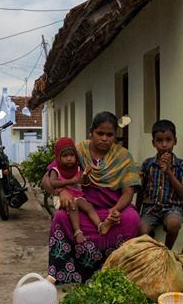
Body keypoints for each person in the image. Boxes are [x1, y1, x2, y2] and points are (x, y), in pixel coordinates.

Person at [42, 111, 141, 284]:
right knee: (60, 217)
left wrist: (116, 210)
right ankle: (64, 273)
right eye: (100, 133)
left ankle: (119, 273)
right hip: (84, 211)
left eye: (110, 135)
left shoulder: (123, 156)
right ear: (91, 132)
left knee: (132, 218)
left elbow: (128, 191)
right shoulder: (78, 151)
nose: (104, 138)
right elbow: (47, 179)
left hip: (112, 211)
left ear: (115, 136)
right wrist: (61, 191)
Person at [136, 119, 183, 249]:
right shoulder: (147, 164)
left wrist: (169, 172)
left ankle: (166, 251)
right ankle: (151, 252)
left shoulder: (181, 165)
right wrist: (137, 211)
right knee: (142, 230)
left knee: (174, 223)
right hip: (151, 209)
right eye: (159, 140)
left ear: (175, 141)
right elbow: (141, 190)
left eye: (168, 140)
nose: (164, 144)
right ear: (153, 143)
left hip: (172, 208)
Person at [45, 137, 103, 245]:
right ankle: (77, 231)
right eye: (65, 156)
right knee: (73, 206)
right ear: (58, 157)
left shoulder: (77, 168)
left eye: (72, 155)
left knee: (88, 206)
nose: (69, 158)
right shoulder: (55, 169)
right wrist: (70, 181)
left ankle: (100, 225)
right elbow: (53, 183)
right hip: (63, 198)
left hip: (78, 196)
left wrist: (85, 175)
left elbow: (83, 182)